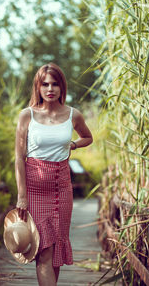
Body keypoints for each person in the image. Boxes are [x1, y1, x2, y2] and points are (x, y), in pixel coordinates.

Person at [15, 63, 93, 286]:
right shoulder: (26, 115)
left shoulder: (73, 115)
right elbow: (19, 157)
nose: (50, 89)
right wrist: (22, 195)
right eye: (45, 84)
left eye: (55, 84)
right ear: (38, 88)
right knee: (44, 251)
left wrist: (74, 145)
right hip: (36, 190)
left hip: (62, 190)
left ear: (62, 87)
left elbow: (88, 137)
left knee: (57, 248)